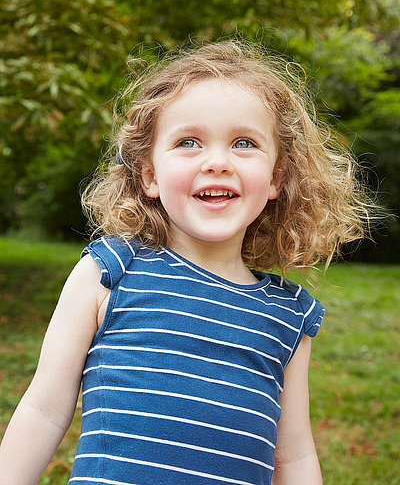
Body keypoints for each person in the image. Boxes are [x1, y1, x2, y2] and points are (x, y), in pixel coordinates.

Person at [0, 38, 378, 485]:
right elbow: (44, 409)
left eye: (243, 142)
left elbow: (292, 459)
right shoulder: (110, 272)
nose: (217, 161)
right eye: (188, 142)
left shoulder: (288, 317)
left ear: (276, 178)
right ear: (150, 175)